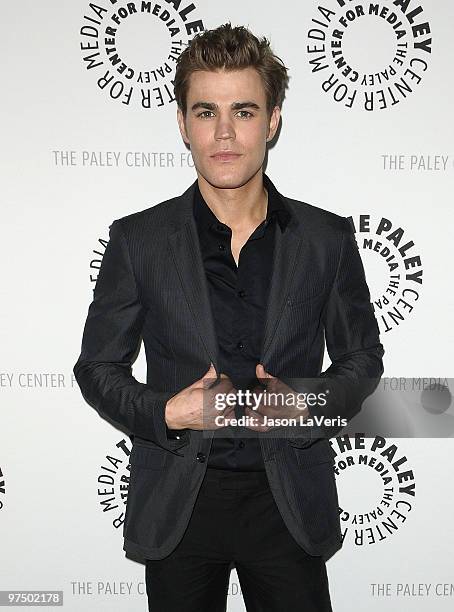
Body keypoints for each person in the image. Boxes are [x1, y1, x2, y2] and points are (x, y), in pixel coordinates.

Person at [73, 22, 384, 612]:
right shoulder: (138, 240)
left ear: (271, 121)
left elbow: (363, 361)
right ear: (183, 124)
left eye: (243, 111)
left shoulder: (326, 238)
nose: (223, 133)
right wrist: (167, 410)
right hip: (179, 505)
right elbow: (97, 368)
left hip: (288, 499)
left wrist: (307, 403)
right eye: (204, 111)